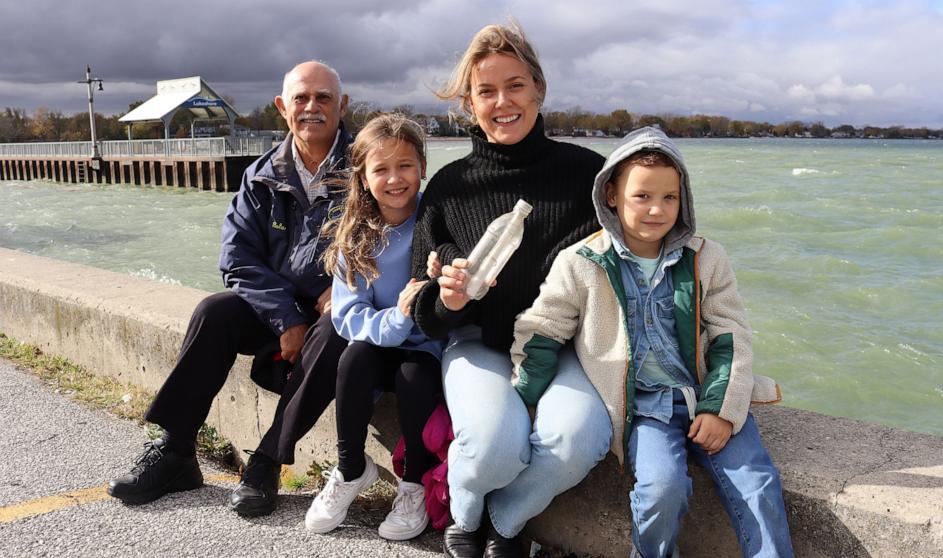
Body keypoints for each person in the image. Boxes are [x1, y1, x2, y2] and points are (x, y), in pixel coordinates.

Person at [510, 127, 794, 557]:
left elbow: (731, 336)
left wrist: (719, 410)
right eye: (642, 196)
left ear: (684, 199)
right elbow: (542, 330)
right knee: (662, 489)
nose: (657, 210)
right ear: (611, 195)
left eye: (669, 197)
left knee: (757, 483)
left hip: (705, 394)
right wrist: (523, 399)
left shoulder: (707, 257)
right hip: (644, 409)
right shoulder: (582, 262)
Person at [108, 60, 353, 518]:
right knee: (213, 312)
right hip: (280, 309)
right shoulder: (261, 175)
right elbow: (237, 259)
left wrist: (347, 284)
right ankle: (177, 450)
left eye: (323, 98)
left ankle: (265, 462)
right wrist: (287, 317)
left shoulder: (367, 167)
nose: (312, 107)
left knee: (335, 327)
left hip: (338, 310)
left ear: (342, 105)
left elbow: (396, 232)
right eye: (301, 98)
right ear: (283, 107)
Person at [410, 23, 612, 558]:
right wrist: (449, 296)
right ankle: (467, 509)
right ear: (469, 102)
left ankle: (505, 519)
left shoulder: (590, 175)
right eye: (486, 90)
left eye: (516, 85)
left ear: (539, 90)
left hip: (562, 343)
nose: (503, 101)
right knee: (494, 448)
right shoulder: (448, 188)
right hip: (478, 338)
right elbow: (423, 312)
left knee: (576, 440)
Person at [302, 113, 444, 542]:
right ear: (362, 177)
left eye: (405, 166)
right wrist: (396, 319)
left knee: (414, 374)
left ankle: (414, 483)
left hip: (427, 348)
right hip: (382, 338)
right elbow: (347, 315)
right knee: (354, 357)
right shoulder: (357, 235)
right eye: (381, 169)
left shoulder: (436, 222)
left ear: (422, 167)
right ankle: (350, 469)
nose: (395, 178)